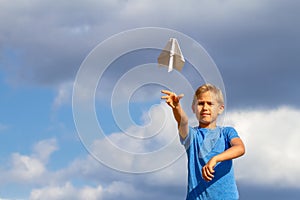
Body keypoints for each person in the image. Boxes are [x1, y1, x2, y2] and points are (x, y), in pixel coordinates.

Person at [161, 83, 245, 200]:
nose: (205, 108)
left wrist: (215, 159)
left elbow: (240, 148)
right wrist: (177, 107)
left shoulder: (227, 132)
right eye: (200, 103)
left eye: (210, 103)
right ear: (193, 108)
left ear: (220, 108)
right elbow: (183, 121)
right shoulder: (192, 136)